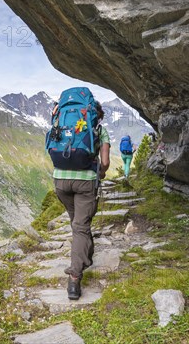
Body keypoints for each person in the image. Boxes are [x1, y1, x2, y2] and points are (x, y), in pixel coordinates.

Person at [53, 101, 111, 300]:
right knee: (81, 226)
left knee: (77, 224)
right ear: (96, 116)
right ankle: (75, 278)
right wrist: (101, 173)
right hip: (85, 182)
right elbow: (104, 162)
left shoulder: (62, 124)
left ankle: (86, 254)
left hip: (60, 181)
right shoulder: (99, 131)